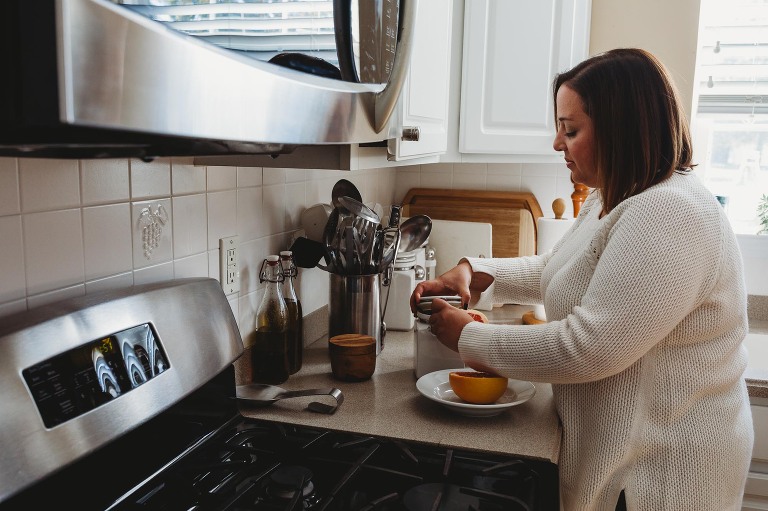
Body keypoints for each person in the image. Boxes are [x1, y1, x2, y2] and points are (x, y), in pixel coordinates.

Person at [410, 48, 754, 511]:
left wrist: (469, 337)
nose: (557, 143)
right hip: (622, 454)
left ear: (620, 130)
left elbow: (587, 348)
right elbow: (564, 266)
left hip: (661, 476)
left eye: (570, 130)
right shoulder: (615, 193)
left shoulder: (671, 213)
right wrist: (476, 271)